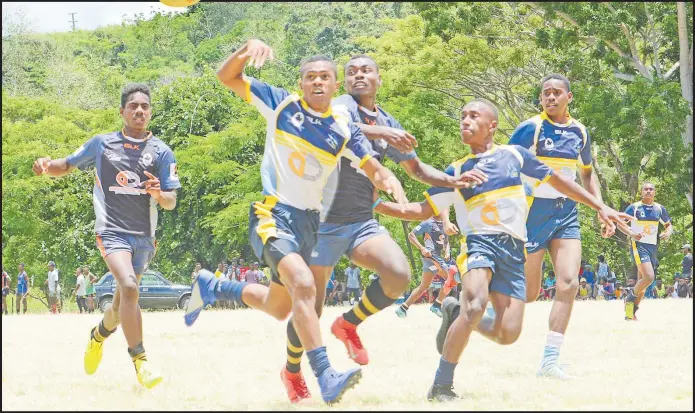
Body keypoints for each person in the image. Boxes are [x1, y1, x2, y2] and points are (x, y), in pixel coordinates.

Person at [184, 39, 410, 404]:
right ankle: (325, 375)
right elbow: (226, 77)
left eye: (325, 77)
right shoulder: (281, 104)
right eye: (310, 77)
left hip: (311, 224)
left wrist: (388, 178)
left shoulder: (344, 126)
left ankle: (214, 287)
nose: (318, 82)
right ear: (301, 83)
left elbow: (371, 165)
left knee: (280, 307)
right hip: (273, 214)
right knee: (305, 286)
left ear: (336, 86)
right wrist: (245, 49)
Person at [374, 98, 630, 401]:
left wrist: (600, 206)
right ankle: (441, 386)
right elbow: (420, 210)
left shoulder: (516, 156)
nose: (465, 121)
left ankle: (454, 312)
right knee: (476, 303)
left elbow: (561, 182)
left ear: (492, 126)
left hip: (513, 251)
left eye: (473, 116)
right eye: (462, 117)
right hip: (478, 245)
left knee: (507, 334)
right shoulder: (455, 171)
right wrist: (376, 205)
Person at [284, 53, 476, 403]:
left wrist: (454, 180)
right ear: (343, 82)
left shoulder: (387, 119)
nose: (359, 76)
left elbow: (417, 170)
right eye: (352, 72)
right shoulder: (339, 105)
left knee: (398, 274)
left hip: (360, 222)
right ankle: (293, 371)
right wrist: (383, 131)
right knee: (310, 306)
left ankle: (349, 324)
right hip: (321, 222)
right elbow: (335, 126)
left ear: (378, 78)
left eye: (366, 71)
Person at [33, 83, 181, 389]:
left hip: (144, 237)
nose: (139, 111)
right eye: (133, 107)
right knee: (128, 287)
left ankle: (98, 335)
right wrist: (46, 167)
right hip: (112, 233)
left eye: (145, 107)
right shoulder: (102, 144)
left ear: (150, 112)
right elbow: (66, 165)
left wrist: (159, 193)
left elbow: (170, 201)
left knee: (119, 305)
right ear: (122, 112)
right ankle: (141, 362)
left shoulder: (162, 152)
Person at [506, 73, 614, 379]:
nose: (550, 98)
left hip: (566, 213)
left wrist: (601, 209)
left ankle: (550, 361)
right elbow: (503, 163)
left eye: (556, 93)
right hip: (531, 213)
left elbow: (587, 174)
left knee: (569, 283)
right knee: (528, 293)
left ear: (569, 97)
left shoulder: (580, 132)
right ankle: (478, 306)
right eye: (545, 94)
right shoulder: (532, 128)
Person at [623, 182, 673, 320]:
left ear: (654, 192)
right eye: (646, 189)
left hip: (653, 247)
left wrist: (668, 233)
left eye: (651, 189)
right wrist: (631, 233)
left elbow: (669, 226)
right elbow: (620, 223)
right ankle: (629, 298)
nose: (649, 191)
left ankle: (630, 313)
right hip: (639, 246)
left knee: (643, 285)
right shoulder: (634, 207)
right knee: (649, 277)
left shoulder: (659, 209)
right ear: (641, 192)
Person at [396, 215, 451, 318]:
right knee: (451, 278)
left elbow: (446, 241)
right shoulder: (428, 223)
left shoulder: (444, 223)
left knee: (424, 286)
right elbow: (411, 235)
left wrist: (447, 251)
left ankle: (403, 308)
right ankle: (437, 305)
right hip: (430, 257)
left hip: (434, 260)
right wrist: (422, 248)